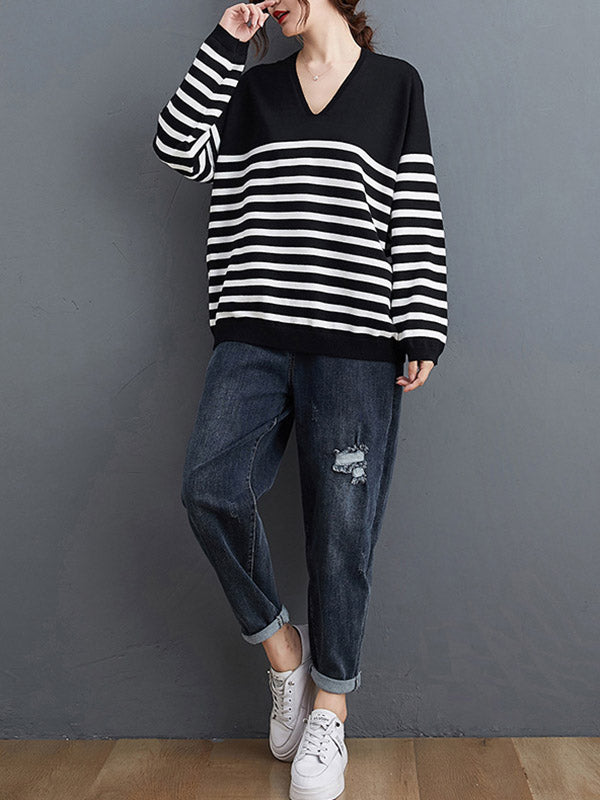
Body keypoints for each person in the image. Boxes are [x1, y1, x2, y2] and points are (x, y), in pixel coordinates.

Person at [153, 1, 448, 797]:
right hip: (252, 331)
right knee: (209, 488)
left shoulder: (395, 86)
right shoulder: (249, 89)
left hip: (356, 343)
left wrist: (422, 321)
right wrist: (227, 43)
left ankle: (331, 708)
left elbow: (414, 206)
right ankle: (284, 649)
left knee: (342, 531)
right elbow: (176, 147)